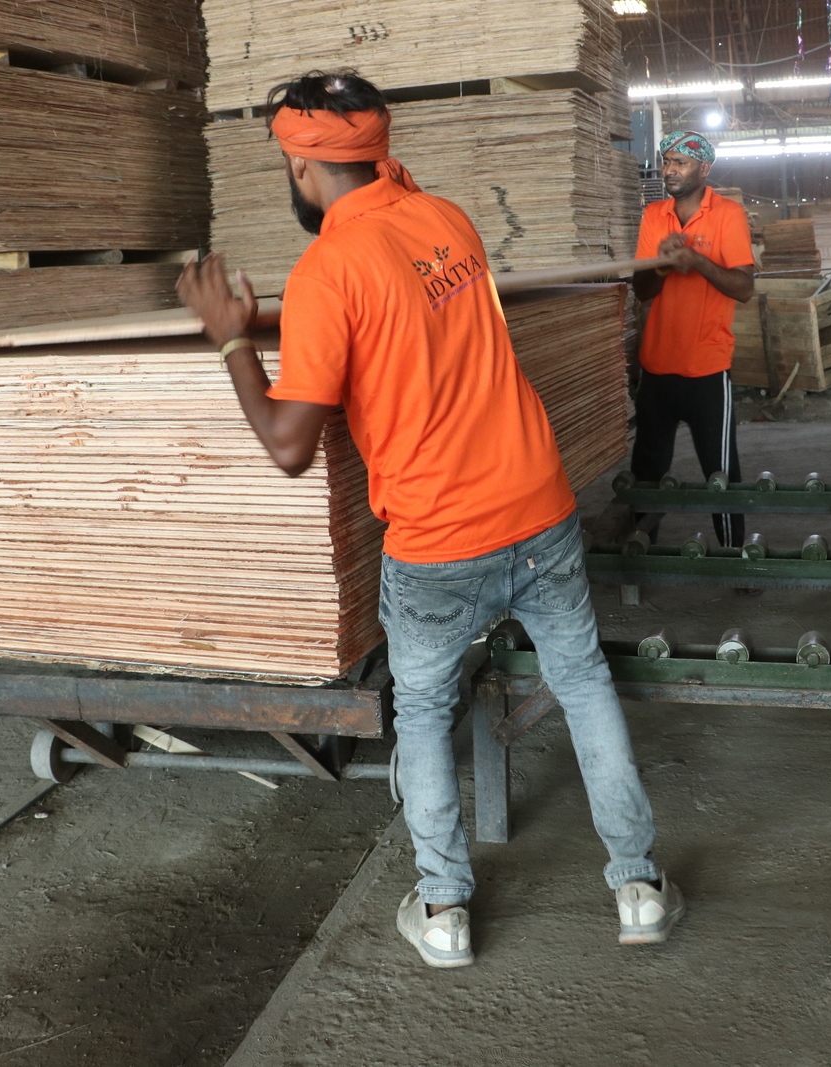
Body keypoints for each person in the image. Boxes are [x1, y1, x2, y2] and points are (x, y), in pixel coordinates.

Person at [175, 71, 679, 970]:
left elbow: (291, 444)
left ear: (301, 165)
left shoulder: (330, 268)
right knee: (584, 681)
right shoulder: (447, 220)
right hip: (540, 507)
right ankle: (638, 886)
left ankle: (444, 908)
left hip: (439, 541)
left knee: (424, 709)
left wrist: (230, 335)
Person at [631, 131, 756, 545]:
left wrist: (696, 260)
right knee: (646, 471)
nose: (670, 170)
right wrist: (664, 265)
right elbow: (643, 290)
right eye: (667, 160)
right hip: (657, 365)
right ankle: (640, 552)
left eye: (680, 162)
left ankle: (735, 555)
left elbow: (743, 287)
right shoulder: (654, 215)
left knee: (721, 472)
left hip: (707, 367)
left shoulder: (727, 215)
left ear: (704, 168)